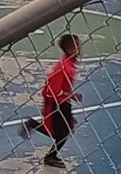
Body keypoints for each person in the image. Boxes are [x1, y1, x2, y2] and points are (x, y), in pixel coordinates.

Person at [21, 34, 82, 169]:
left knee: (63, 131)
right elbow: (52, 91)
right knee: (61, 133)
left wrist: (70, 96)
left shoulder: (70, 63)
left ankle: (50, 152)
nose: (80, 48)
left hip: (63, 102)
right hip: (57, 104)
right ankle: (50, 156)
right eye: (77, 46)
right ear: (70, 49)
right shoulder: (63, 68)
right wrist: (70, 95)